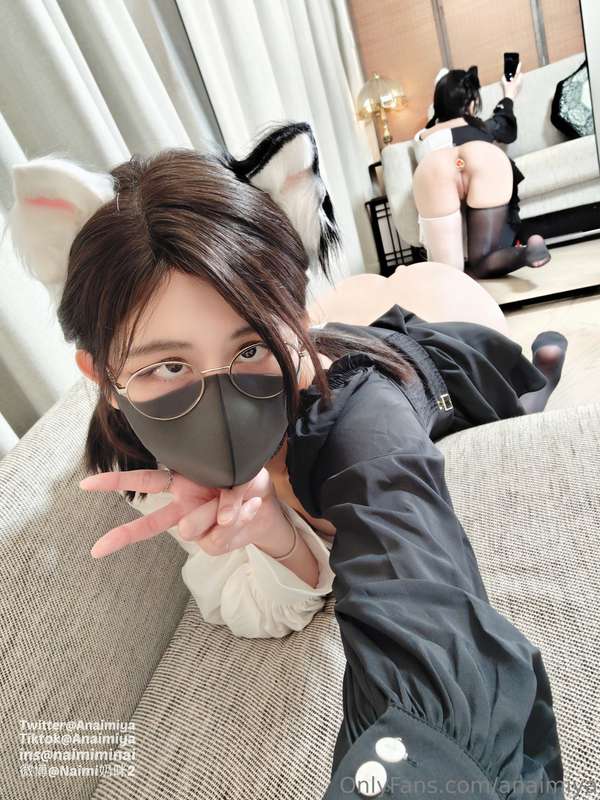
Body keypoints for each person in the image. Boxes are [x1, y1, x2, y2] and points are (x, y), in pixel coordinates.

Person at [4, 121, 567, 796]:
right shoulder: (143, 457)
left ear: (290, 323)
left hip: (425, 357)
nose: (218, 403)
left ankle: (534, 375)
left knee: (498, 353)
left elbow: (422, 599)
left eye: (249, 349)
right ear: (102, 378)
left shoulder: (358, 419)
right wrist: (270, 535)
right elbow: (245, 603)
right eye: (168, 365)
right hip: (336, 330)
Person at [412, 63, 552, 278]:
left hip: (436, 167)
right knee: (483, 260)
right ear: (471, 102)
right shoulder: (482, 127)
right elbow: (506, 127)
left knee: (451, 273)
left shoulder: (422, 136)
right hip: (484, 159)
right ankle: (526, 252)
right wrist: (509, 93)